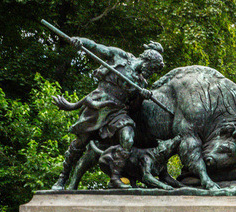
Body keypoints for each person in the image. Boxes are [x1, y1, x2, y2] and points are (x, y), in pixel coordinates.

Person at [52, 38, 165, 190]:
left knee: (128, 138)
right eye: (152, 69)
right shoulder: (121, 57)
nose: (151, 73)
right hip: (98, 104)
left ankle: (115, 178)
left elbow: (133, 108)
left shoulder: (141, 82)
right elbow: (97, 47)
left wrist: (141, 96)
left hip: (117, 112)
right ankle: (62, 178)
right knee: (80, 143)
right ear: (147, 61)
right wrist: (80, 42)